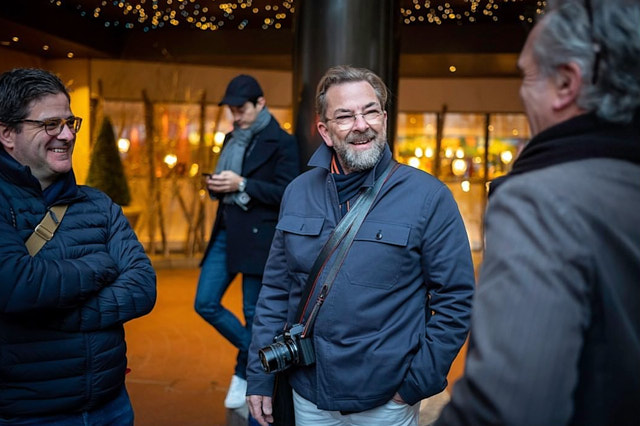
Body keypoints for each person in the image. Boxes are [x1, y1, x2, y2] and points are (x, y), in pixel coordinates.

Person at [436, 1, 640, 425]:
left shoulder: (541, 202)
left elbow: (503, 410)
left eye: (527, 76)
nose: (522, 91)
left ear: (567, 83)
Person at [246, 65, 475, 426]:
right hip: (308, 392)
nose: (361, 124)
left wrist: (415, 384)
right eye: (345, 116)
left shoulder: (428, 197)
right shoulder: (297, 193)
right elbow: (275, 289)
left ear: (384, 118)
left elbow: (456, 298)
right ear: (324, 130)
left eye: (370, 111)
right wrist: (259, 376)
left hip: (386, 400)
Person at [0, 68, 156, 424]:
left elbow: (143, 287)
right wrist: (101, 265)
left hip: (112, 406)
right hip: (28, 415)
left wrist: (47, 314)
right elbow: (15, 283)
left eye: (70, 122)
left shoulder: (99, 204)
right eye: (50, 124)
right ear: (8, 134)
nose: (67, 135)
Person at [195, 74, 299, 409]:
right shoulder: (231, 138)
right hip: (225, 232)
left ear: (261, 104)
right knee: (205, 302)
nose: (236, 116)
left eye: (241, 109)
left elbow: (287, 193)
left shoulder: (282, 142)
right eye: (232, 110)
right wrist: (217, 185)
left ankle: (249, 373)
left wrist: (241, 184)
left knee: (255, 313)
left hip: (258, 239)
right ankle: (256, 354)